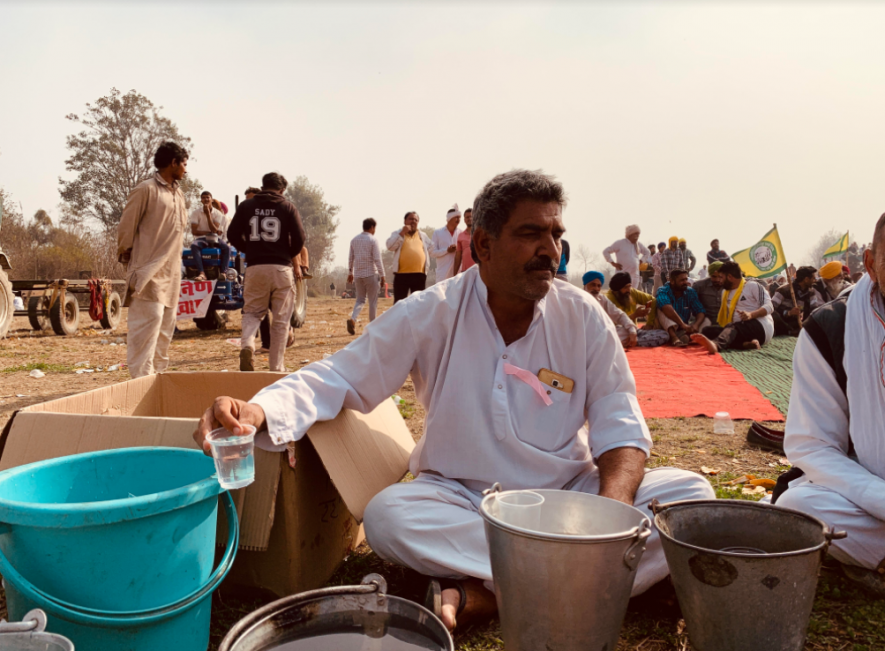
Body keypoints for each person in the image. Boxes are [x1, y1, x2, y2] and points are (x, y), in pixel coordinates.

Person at [193, 169, 715, 633]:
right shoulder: (432, 311)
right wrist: (258, 410)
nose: (551, 250)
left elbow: (619, 423)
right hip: (465, 501)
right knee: (389, 517)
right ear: (483, 245)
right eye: (531, 234)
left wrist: (608, 519)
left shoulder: (583, 316)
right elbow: (339, 376)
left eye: (556, 234)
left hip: (570, 499)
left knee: (693, 494)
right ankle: (583, 584)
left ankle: (491, 595)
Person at [773, 213, 885, 597]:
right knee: (801, 505)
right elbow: (814, 446)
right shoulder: (830, 329)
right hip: (870, 490)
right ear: (870, 263)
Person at [117, 141, 189, 378]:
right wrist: (125, 252)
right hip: (149, 272)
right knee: (146, 328)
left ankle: (157, 383)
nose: (186, 170)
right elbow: (127, 226)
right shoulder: (145, 189)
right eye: (184, 164)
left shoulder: (179, 194)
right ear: (173, 163)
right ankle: (140, 384)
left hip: (172, 274)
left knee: (165, 331)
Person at [227, 173, 306, 373]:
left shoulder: (246, 206)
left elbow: (232, 234)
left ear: (263, 187)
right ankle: (276, 368)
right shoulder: (287, 207)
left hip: (255, 267)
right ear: (281, 190)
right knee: (281, 320)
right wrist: (288, 253)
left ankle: (247, 345)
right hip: (281, 268)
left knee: (252, 312)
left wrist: (248, 249)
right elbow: (299, 239)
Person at [692, 261, 775, 353]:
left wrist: (751, 315)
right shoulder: (725, 292)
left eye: (721, 277)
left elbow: (770, 306)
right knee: (707, 331)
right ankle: (746, 344)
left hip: (760, 328)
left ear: (730, 277)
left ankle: (716, 345)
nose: (719, 281)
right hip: (739, 329)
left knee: (732, 327)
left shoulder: (752, 286)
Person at [603, 272, 670, 348]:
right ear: (616, 291)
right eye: (625, 287)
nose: (628, 290)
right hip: (618, 332)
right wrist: (635, 315)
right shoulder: (607, 300)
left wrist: (649, 324)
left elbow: (653, 300)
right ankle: (629, 341)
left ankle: (633, 341)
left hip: (634, 331)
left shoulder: (631, 292)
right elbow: (612, 324)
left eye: (629, 286)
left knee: (664, 335)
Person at [346, 218, 385, 334]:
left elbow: (350, 258)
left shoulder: (354, 240)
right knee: (372, 301)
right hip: (371, 274)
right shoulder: (373, 240)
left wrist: (350, 273)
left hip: (358, 275)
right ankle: (372, 326)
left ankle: (353, 319)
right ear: (372, 227)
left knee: (360, 300)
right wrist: (382, 275)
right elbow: (377, 259)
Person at [387, 212, 433, 303]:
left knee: (418, 303)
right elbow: (390, 246)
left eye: (415, 220)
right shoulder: (397, 233)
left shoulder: (422, 235)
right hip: (401, 275)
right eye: (410, 219)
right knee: (399, 303)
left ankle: (418, 318)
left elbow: (432, 248)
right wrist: (402, 233)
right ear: (405, 221)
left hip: (419, 275)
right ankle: (399, 318)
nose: (413, 221)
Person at [655, 268, 708, 346]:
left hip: (684, 327)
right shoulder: (663, 290)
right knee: (661, 309)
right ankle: (674, 337)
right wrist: (682, 323)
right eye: (682, 280)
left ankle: (684, 336)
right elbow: (666, 307)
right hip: (667, 326)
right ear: (672, 281)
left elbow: (700, 310)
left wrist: (696, 324)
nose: (685, 282)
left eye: (686, 279)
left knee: (706, 321)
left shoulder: (690, 292)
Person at [188, 191, 230, 282]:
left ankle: (223, 272)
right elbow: (194, 231)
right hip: (201, 239)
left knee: (226, 247)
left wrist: (208, 215)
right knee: (194, 246)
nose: (206, 199)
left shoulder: (218, 214)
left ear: (211, 199)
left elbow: (214, 230)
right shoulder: (196, 213)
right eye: (203, 198)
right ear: (201, 200)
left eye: (208, 197)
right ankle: (202, 273)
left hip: (215, 238)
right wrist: (209, 232)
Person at [771, 266, 819, 337]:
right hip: (784, 323)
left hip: (800, 323)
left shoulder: (811, 292)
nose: (815, 281)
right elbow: (771, 308)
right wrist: (789, 313)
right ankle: (789, 332)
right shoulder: (783, 290)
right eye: (813, 278)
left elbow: (814, 309)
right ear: (806, 279)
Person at [431, 205, 463, 281]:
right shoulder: (437, 233)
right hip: (443, 273)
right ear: (449, 218)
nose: (458, 219)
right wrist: (447, 250)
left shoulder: (461, 233)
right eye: (456, 217)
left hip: (458, 274)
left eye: (459, 217)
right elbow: (432, 252)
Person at [453, 208, 475, 274]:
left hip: (479, 271)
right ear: (464, 220)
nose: (469, 219)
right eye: (467, 217)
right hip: (466, 272)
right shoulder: (461, 235)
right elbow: (458, 256)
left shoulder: (481, 233)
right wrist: (455, 274)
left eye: (471, 216)